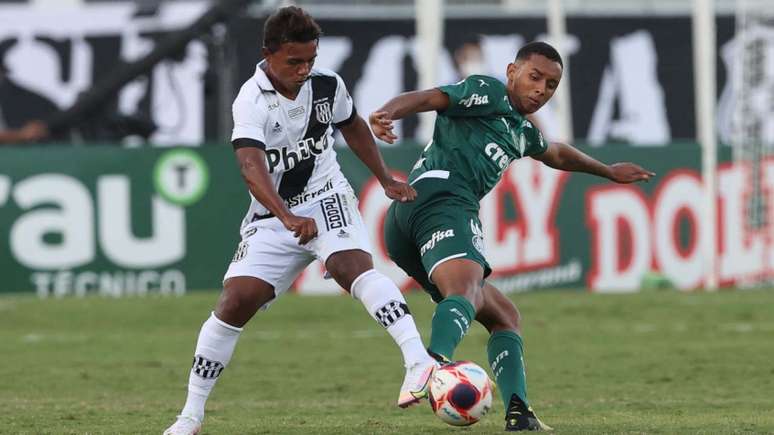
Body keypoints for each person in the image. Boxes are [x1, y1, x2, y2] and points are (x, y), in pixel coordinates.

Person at [163, 7, 435, 435]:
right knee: (234, 303)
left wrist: (384, 178)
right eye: (295, 61)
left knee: (351, 267)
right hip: (274, 214)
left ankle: (420, 362)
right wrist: (287, 216)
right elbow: (251, 167)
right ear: (268, 55)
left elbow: (352, 126)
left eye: (310, 59)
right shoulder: (250, 101)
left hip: (326, 196)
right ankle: (190, 416)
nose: (305, 69)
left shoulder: (327, 85)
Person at [369, 41, 655, 432]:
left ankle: (520, 414)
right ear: (511, 72)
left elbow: (556, 153)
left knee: (504, 317)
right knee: (466, 291)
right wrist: (389, 112)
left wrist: (607, 170)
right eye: (534, 77)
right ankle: (429, 364)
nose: (541, 89)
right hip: (442, 198)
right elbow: (433, 97)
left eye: (551, 85)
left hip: (407, 219)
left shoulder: (521, 131)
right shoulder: (487, 92)